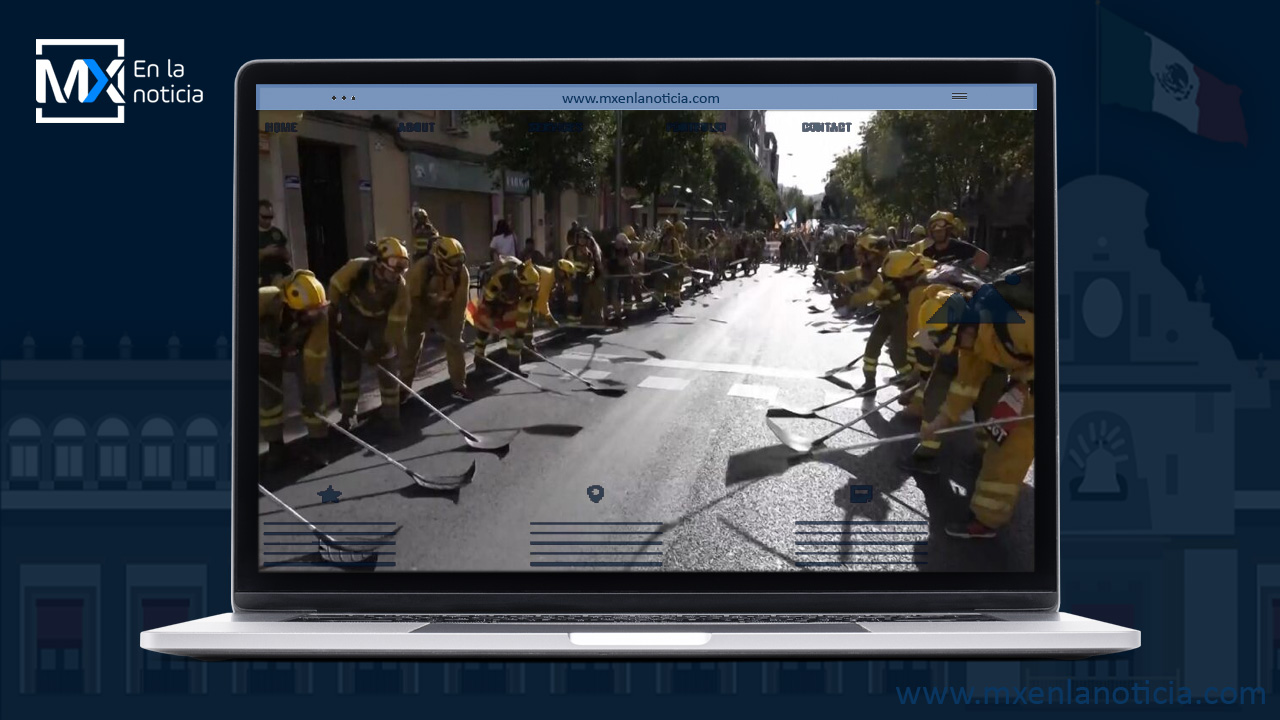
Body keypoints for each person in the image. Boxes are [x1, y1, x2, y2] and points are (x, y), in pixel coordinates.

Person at [918, 287, 1035, 539]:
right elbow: (965, 387)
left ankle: (987, 521)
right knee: (1003, 447)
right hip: (1025, 383)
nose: (957, 349)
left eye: (955, 342)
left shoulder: (1015, 324)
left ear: (962, 327)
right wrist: (939, 421)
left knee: (1009, 449)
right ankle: (986, 518)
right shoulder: (975, 340)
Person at [328, 237, 412, 433]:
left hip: (380, 322)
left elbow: (397, 325)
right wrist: (332, 317)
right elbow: (335, 286)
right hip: (352, 318)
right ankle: (348, 415)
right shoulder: (357, 268)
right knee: (350, 366)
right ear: (379, 262)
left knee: (388, 366)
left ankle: (391, 416)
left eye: (402, 267)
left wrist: (381, 349)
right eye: (393, 267)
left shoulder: (401, 289)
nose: (396, 274)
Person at [259, 269, 329, 469]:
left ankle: (318, 442)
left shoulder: (319, 318)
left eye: (319, 309)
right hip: (266, 352)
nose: (316, 315)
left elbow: (315, 356)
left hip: (298, 353)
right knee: (269, 400)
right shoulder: (264, 299)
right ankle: (275, 445)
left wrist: (311, 384)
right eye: (310, 311)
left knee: (312, 392)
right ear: (291, 305)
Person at [840, 249, 935, 395]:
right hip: (887, 313)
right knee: (872, 347)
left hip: (903, 317)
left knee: (898, 354)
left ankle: (911, 383)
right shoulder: (891, 270)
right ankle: (869, 384)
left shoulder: (923, 284)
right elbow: (870, 288)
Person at [400, 236, 472, 403]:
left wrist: (453, 330)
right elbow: (409, 299)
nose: (456, 267)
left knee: (455, 344)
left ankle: (459, 386)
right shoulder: (420, 269)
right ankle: (403, 390)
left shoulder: (462, 273)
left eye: (459, 261)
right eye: (452, 262)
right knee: (411, 348)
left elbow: (460, 305)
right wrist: (425, 321)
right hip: (418, 307)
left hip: (446, 308)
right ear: (439, 258)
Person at [471, 257, 540, 376]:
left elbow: (522, 318)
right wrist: (491, 319)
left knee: (513, 335)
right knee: (483, 331)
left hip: (509, 304)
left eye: (534, 288)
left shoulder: (527, 295)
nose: (531, 292)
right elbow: (487, 298)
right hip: (491, 301)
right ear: (520, 282)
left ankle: (514, 367)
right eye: (529, 288)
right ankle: (479, 361)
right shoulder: (503, 278)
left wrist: (519, 336)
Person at [908, 211, 990, 271]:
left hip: (957, 290)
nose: (938, 234)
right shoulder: (927, 252)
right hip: (934, 290)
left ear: (948, 231)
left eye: (941, 231)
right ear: (931, 233)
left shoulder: (960, 247)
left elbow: (984, 257)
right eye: (935, 232)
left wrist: (971, 272)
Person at [258, 200, 292, 287]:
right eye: (264, 217)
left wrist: (282, 253)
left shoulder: (276, 232)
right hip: (262, 276)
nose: (268, 221)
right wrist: (265, 252)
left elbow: (288, 257)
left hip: (281, 273)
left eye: (270, 217)